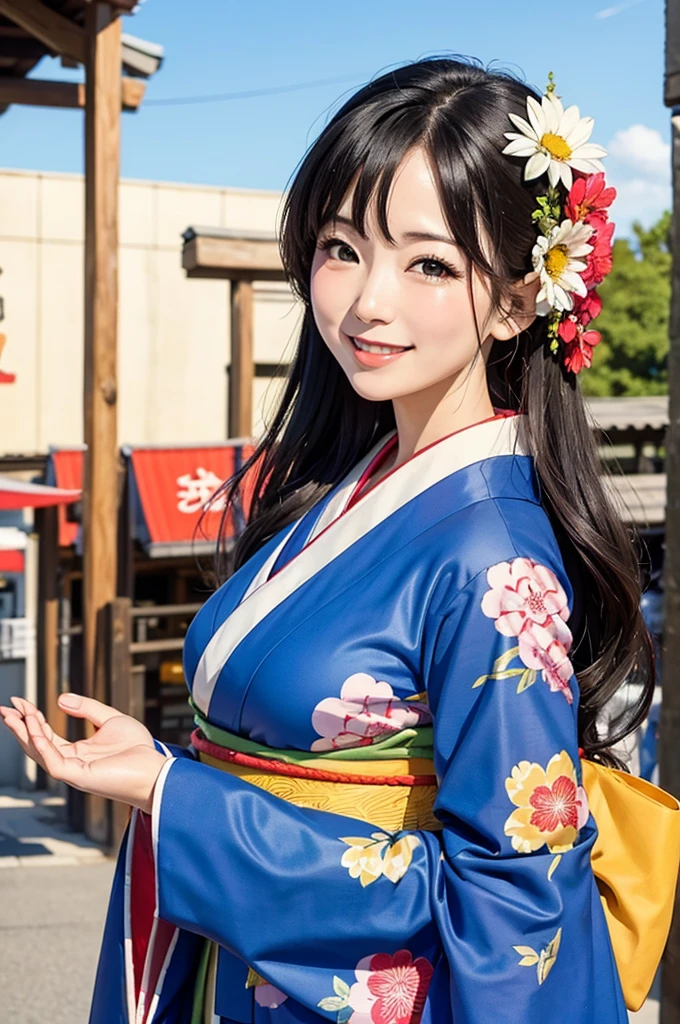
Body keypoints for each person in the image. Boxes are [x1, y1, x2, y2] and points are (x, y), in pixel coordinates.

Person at [1, 56, 655, 1024]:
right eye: (342, 247)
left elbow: (514, 907)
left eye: (427, 262)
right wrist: (174, 771)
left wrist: (182, 802)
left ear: (519, 300)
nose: (366, 300)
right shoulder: (344, 487)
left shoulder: (495, 560)